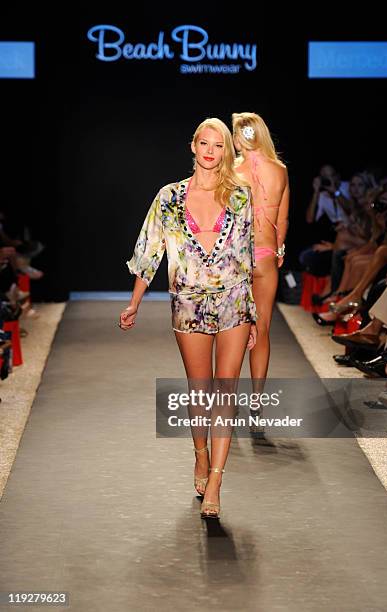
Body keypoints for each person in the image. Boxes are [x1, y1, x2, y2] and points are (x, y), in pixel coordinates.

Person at [119, 118, 258, 519]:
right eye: (204, 143)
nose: (211, 151)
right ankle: (200, 455)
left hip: (233, 301)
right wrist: (134, 303)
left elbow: (247, 256)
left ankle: (215, 480)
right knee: (200, 393)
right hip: (189, 302)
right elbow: (150, 249)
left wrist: (252, 311)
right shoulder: (169, 197)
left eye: (219, 145)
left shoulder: (240, 197)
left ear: (227, 152)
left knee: (225, 392)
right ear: (192, 146)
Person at [231, 112, 289, 387]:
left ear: (237, 137)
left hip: (235, 260)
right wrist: (279, 250)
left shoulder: (231, 171)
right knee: (262, 329)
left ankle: (226, 398)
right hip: (266, 257)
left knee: (233, 331)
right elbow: (282, 221)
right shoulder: (280, 170)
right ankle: (257, 400)